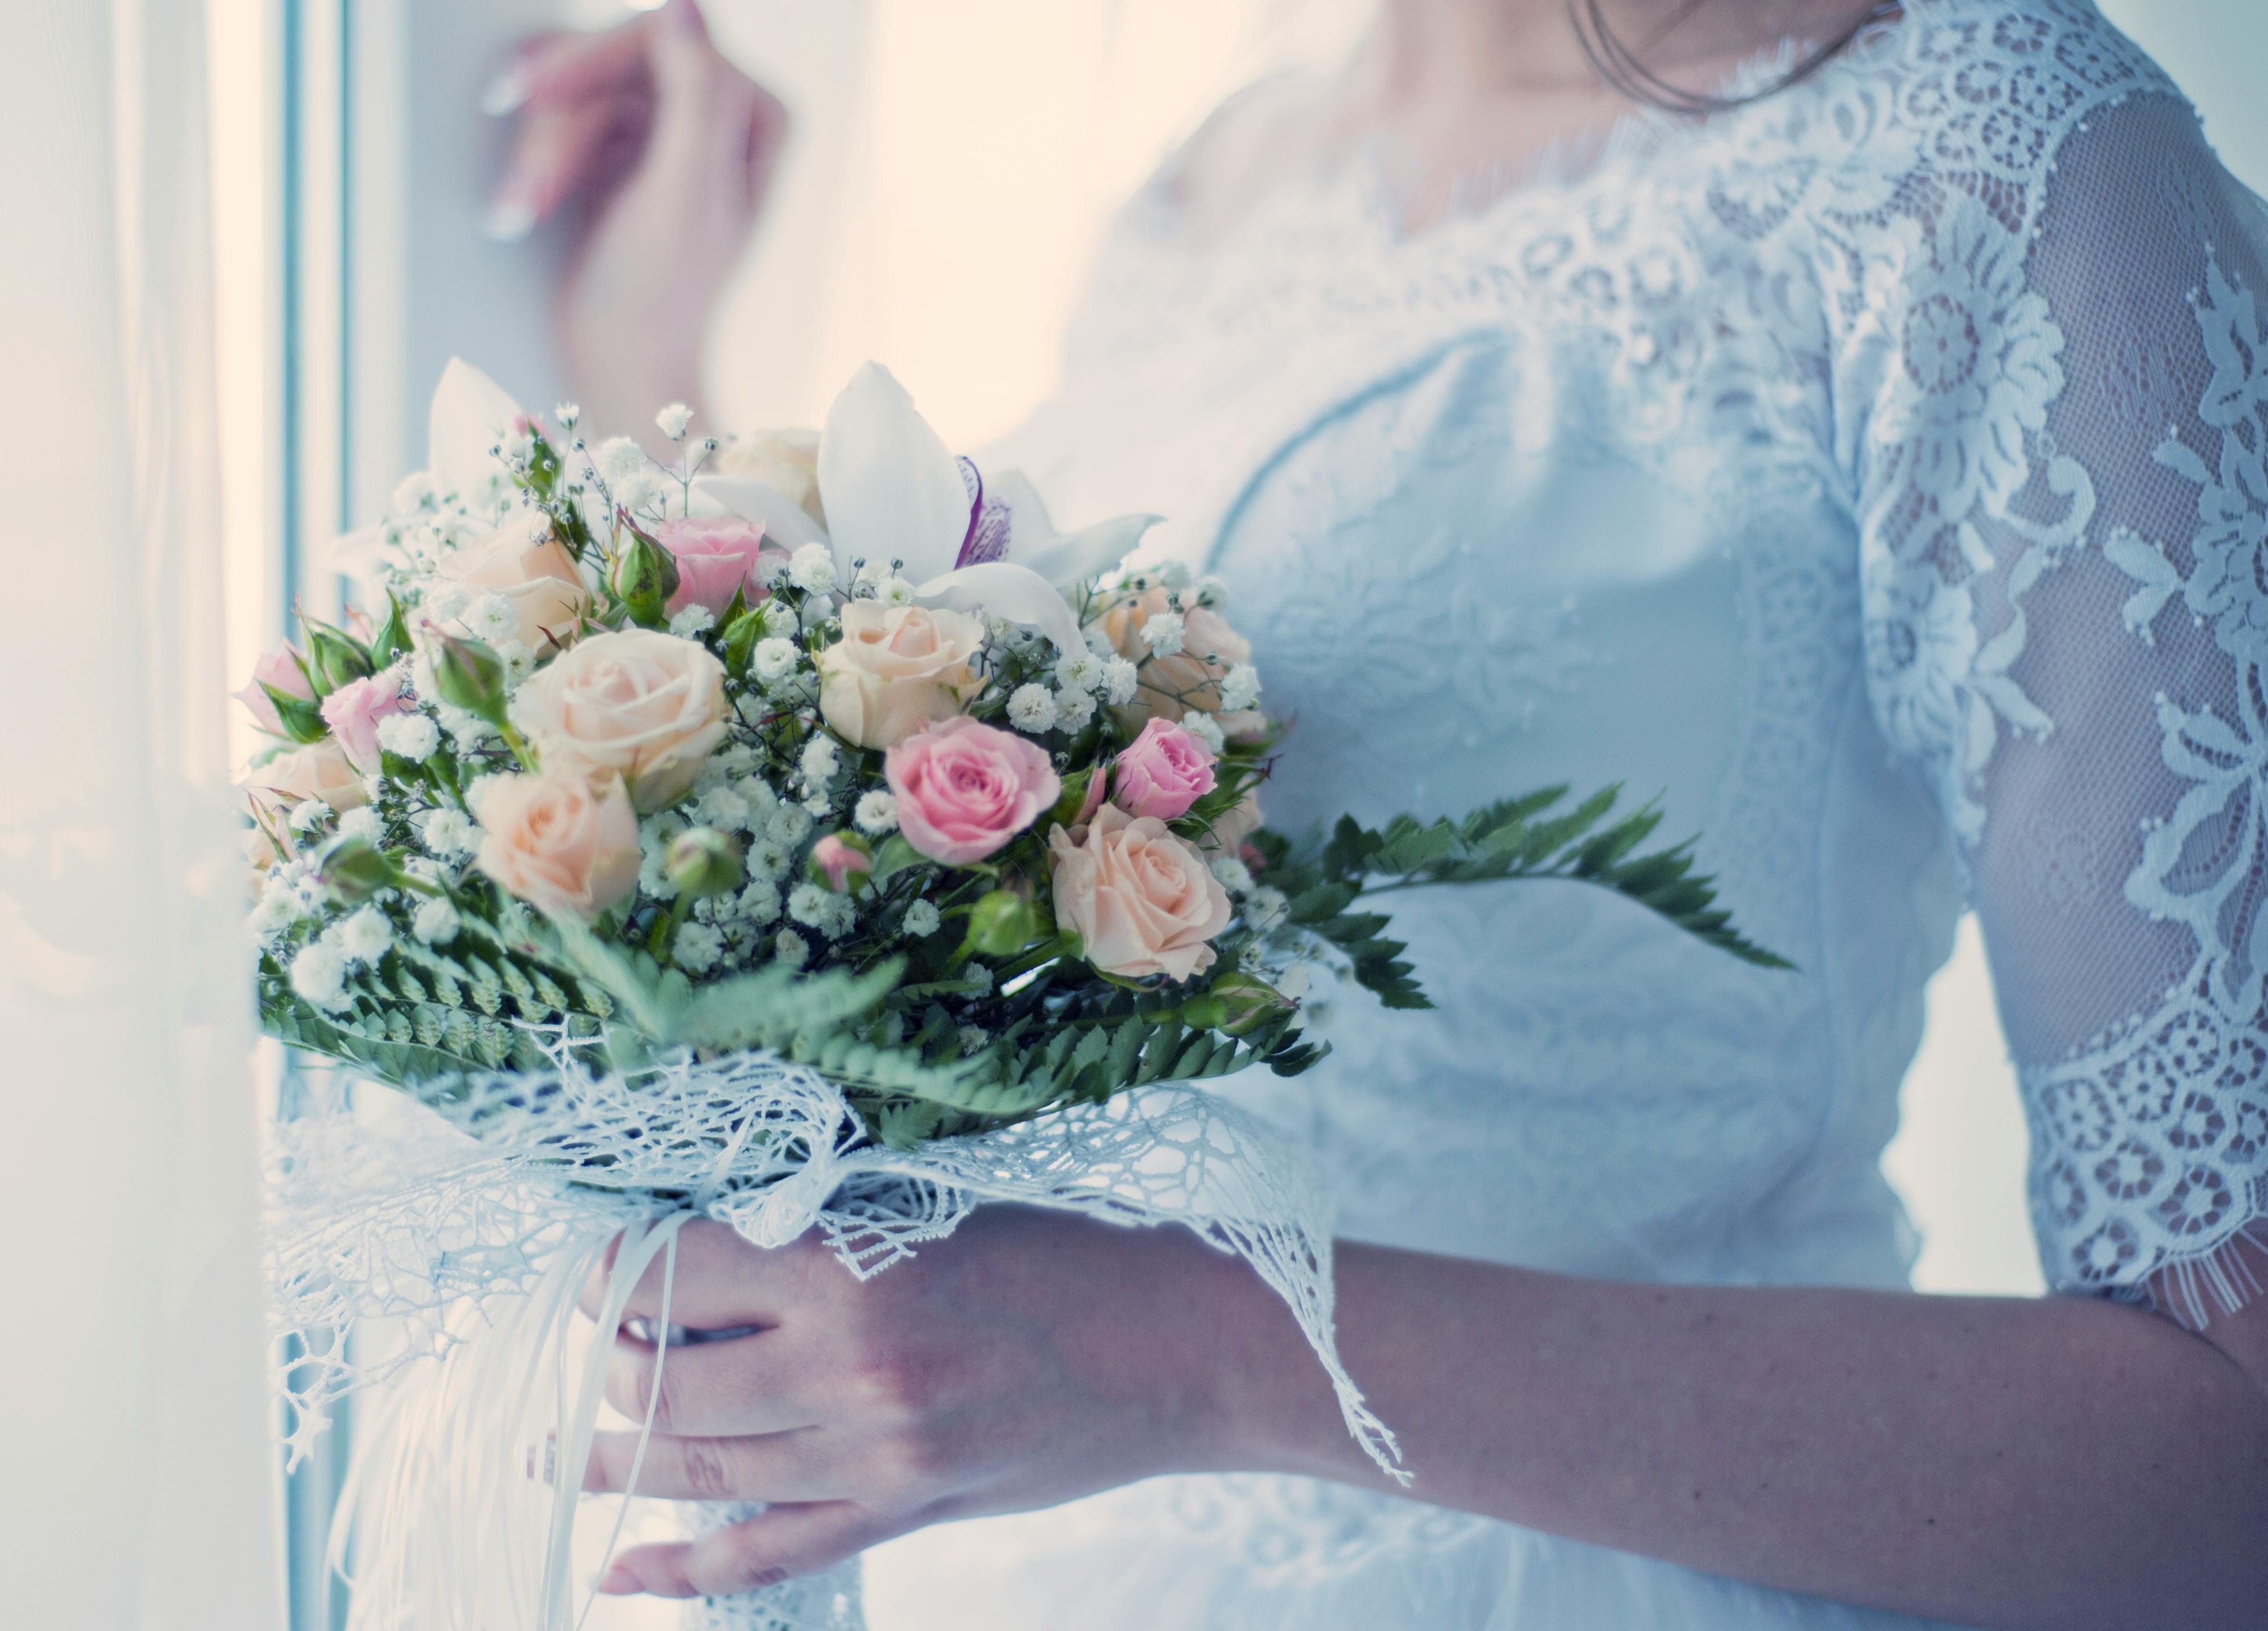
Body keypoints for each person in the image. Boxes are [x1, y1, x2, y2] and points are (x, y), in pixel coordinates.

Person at [484, 1, 2268, 1624]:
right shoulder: (1216, 189)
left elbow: (2229, 1455)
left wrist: (1207, 1350)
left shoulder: (2002, 161)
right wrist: (645, 346)